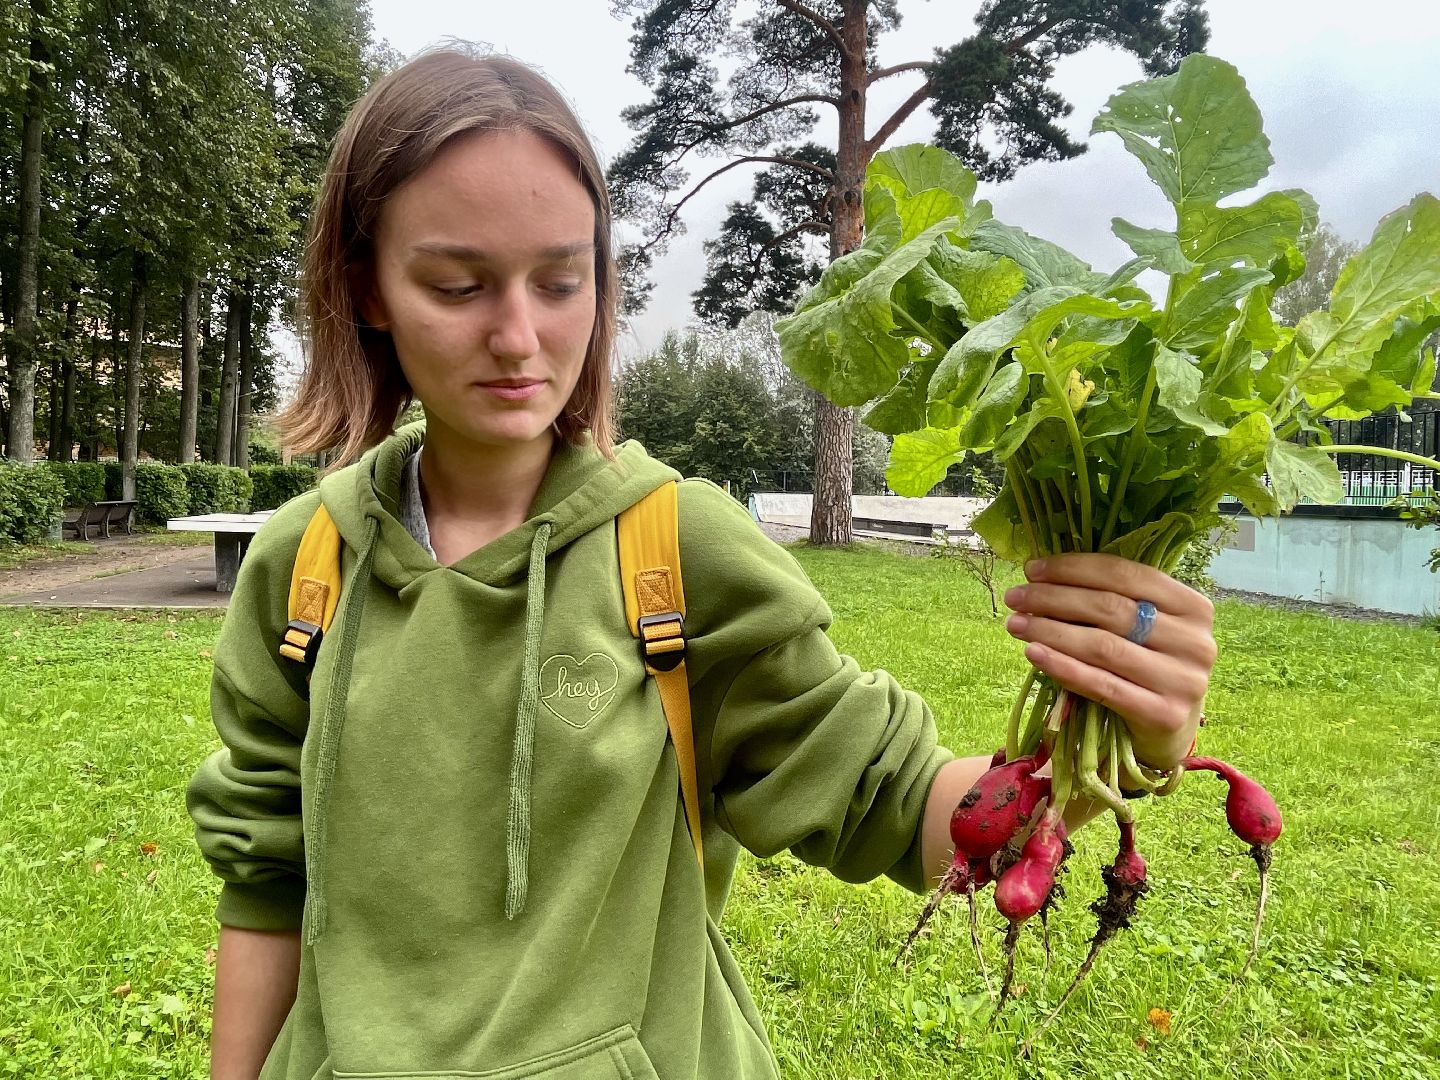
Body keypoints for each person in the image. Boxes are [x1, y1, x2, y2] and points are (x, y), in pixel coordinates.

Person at [186, 46, 1216, 1080]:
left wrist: (1128, 729)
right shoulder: (303, 569)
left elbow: (903, 810)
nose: (518, 335)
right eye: (457, 285)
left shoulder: (674, 551)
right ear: (365, 287)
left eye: (559, 280)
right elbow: (265, 884)